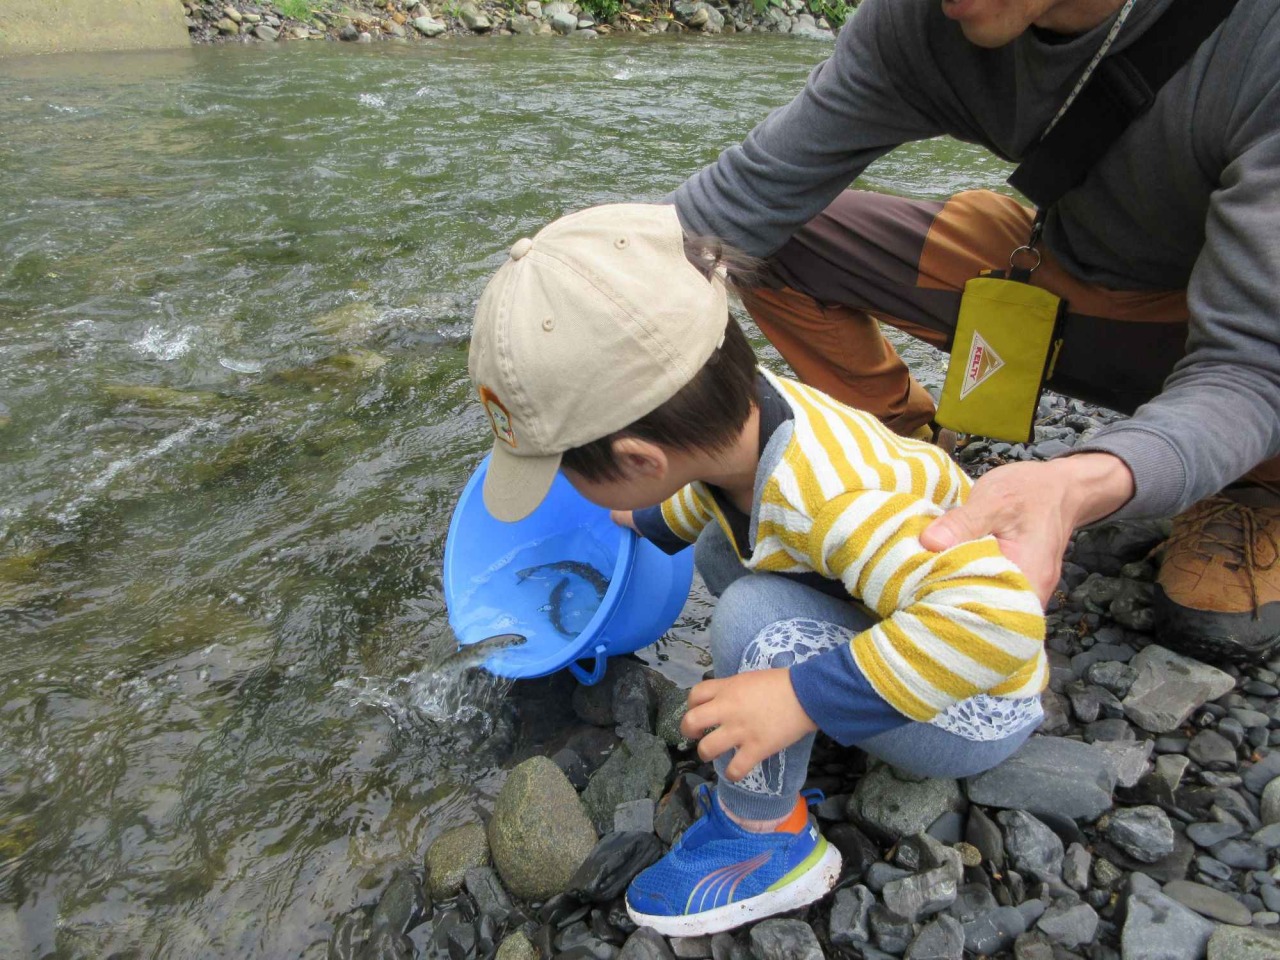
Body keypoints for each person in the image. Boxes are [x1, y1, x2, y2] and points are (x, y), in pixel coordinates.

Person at [468, 203, 1047, 936]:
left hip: (979, 702)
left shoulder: (826, 499)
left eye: (567, 472)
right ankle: (827, 697)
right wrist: (647, 520)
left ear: (640, 462)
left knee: (752, 618)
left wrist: (800, 696)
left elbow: (1004, 621)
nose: (568, 488)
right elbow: (711, 490)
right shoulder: (746, 413)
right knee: (721, 548)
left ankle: (766, 836)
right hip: (906, 615)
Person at [667, 0, 1280, 661]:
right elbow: (734, 205)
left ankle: (1260, 487)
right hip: (1069, 260)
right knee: (764, 245)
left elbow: (1252, 366)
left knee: (1205, 618)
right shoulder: (925, 19)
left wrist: (1075, 484)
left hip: (1240, 327)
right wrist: (582, 334)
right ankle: (900, 449)